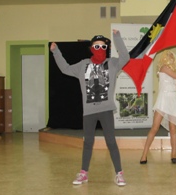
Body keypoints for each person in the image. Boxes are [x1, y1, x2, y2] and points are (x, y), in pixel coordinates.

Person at [50, 30, 129, 186]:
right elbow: (65, 68)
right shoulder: (83, 65)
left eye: (103, 46)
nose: (100, 49)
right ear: (92, 48)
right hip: (89, 112)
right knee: (88, 142)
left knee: (111, 142)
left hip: (106, 110)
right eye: (96, 46)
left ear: (107, 48)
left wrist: (117, 37)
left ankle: (119, 174)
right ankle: (83, 173)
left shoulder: (112, 64)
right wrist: (56, 52)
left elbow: (125, 57)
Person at [139, 50, 176, 164]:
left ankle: (174, 154)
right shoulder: (163, 68)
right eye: (168, 55)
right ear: (164, 58)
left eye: (172, 56)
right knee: (155, 128)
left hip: (173, 100)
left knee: (173, 129)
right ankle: (144, 154)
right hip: (163, 99)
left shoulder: (175, 72)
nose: (171, 57)